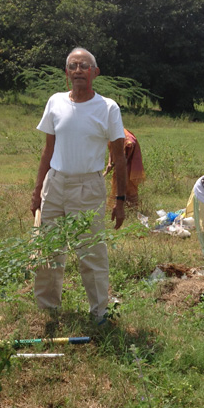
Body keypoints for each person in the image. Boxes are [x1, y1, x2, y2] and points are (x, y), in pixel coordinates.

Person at [30, 47, 127, 325]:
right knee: (48, 249)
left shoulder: (107, 107)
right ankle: (48, 309)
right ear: (66, 73)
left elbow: (118, 157)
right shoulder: (55, 102)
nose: (78, 71)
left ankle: (99, 314)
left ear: (94, 73)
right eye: (73, 66)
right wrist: (37, 190)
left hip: (88, 187)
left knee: (91, 253)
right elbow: (48, 150)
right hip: (55, 184)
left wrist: (119, 200)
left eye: (84, 66)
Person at [109, 128, 145, 209]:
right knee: (117, 185)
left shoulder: (125, 136)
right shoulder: (112, 134)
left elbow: (130, 144)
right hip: (119, 164)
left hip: (129, 165)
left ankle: (130, 209)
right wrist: (109, 162)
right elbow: (112, 149)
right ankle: (119, 207)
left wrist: (121, 160)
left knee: (129, 187)